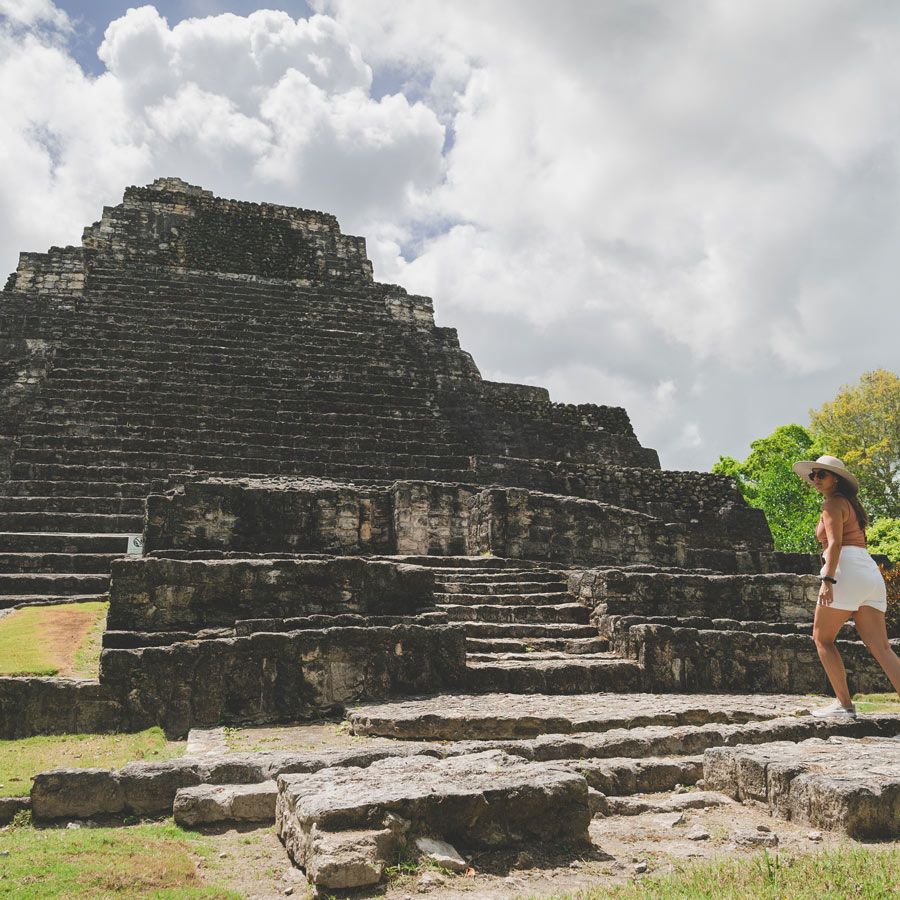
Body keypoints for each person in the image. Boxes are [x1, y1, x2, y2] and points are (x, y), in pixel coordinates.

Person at [792, 455, 900, 716]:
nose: (815, 478)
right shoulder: (852, 504)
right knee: (882, 649)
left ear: (835, 479)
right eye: (813, 474)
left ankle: (844, 704)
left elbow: (835, 545)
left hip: (845, 570)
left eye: (821, 474)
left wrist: (827, 580)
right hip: (869, 573)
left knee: (822, 639)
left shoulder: (832, 504)